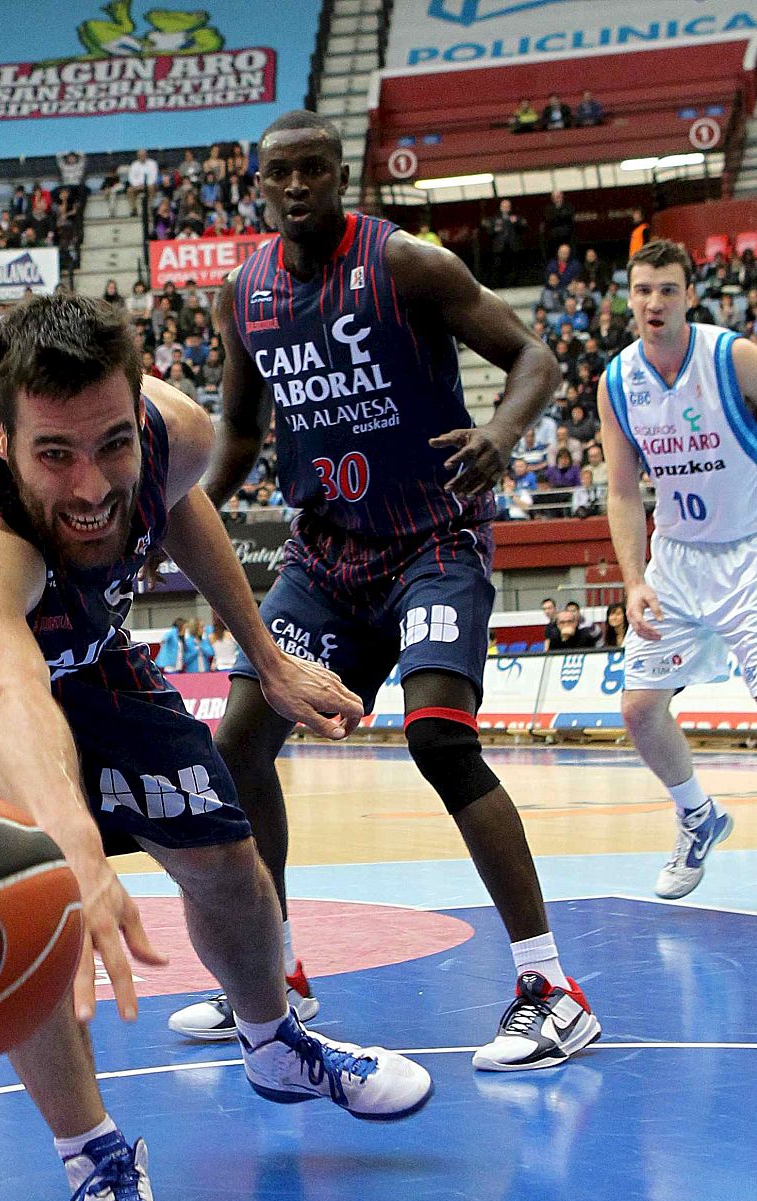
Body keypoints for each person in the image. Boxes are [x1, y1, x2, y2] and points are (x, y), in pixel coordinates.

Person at [0, 294, 432, 1201]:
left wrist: (265, 652)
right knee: (18, 877)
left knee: (219, 846)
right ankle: (92, 1164)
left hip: (63, 618)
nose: (90, 484)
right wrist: (73, 854)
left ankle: (274, 1043)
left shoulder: (171, 433)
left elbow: (173, 497)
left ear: (137, 412)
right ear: (2, 434)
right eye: (54, 456)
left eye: (112, 444)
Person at [176, 110, 600, 1073]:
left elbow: (535, 357)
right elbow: (239, 434)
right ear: (259, 185)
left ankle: (550, 988)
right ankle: (271, 971)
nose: (296, 188)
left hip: (431, 542)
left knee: (440, 739)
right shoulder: (246, 294)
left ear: (340, 175)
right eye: (278, 174)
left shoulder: (407, 264)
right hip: (324, 562)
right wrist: (174, 510)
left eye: (313, 172)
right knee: (236, 747)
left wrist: (499, 436)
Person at [598, 238, 757, 927]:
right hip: (678, 559)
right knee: (640, 710)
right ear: (630, 295)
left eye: (667, 290)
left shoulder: (733, 358)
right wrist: (633, 578)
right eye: (643, 289)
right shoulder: (617, 381)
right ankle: (698, 816)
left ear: (690, 295)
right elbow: (622, 490)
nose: (653, 302)